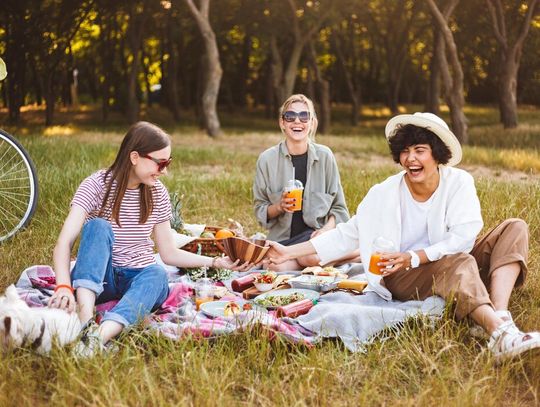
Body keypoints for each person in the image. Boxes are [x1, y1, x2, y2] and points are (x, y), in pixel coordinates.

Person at [267, 112, 539, 362]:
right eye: (405, 152)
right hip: (399, 274)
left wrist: (416, 256)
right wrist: (289, 252)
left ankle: (501, 321)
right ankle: (497, 330)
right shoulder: (383, 193)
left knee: (514, 227)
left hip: (443, 260)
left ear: (438, 155)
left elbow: (465, 236)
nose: (410, 159)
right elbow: (347, 234)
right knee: (458, 262)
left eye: (420, 151)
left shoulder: (459, 182)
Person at [49, 121, 251, 357]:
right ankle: (84, 322)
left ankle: (98, 337)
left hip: (138, 278)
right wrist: (63, 286)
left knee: (157, 274)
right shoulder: (96, 185)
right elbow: (64, 242)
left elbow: (168, 253)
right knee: (97, 226)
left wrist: (215, 263)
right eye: (161, 163)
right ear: (135, 157)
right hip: (98, 279)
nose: (165, 170)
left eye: (169, 162)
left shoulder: (157, 193)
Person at [253, 94, 359, 270]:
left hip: (315, 239)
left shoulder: (325, 156)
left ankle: (359, 253)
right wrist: (279, 207)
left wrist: (325, 231)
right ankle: (344, 257)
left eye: (304, 116)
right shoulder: (266, 160)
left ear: (312, 123)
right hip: (283, 241)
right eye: (290, 116)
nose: (297, 121)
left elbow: (339, 209)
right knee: (274, 268)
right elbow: (260, 211)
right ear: (282, 123)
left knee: (310, 256)